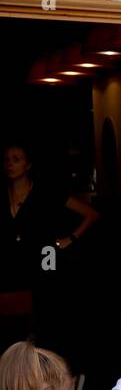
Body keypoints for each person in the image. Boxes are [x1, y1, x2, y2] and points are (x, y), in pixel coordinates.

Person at [1, 145, 100, 355]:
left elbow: (90, 214)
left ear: (28, 165)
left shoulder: (46, 193)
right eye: (7, 159)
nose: (10, 164)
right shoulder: (4, 196)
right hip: (11, 273)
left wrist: (69, 239)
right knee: (13, 333)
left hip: (44, 268)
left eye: (16, 159)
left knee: (44, 329)